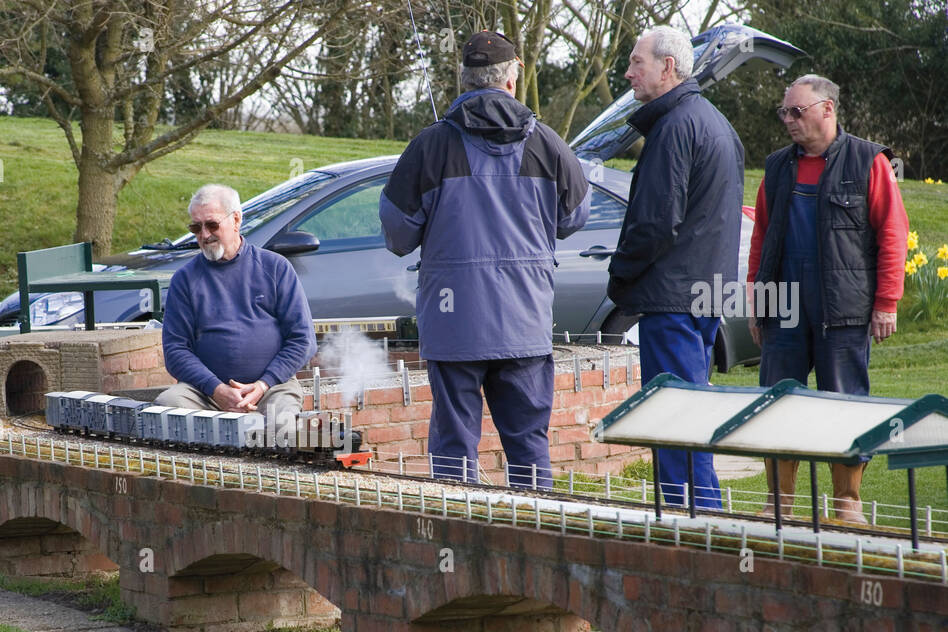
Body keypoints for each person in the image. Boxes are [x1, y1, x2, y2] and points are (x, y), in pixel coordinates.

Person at [379, 30, 589, 487]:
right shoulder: (549, 144)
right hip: (525, 323)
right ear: (512, 79)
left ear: (464, 80)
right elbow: (573, 218)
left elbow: (397, 234)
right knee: (529, 445)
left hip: (454, 325)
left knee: (454, 450)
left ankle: (460, 541)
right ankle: (536, 543)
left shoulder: (429, 146)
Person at [747, 75, 909, 524]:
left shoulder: (867, 160)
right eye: (785, 112)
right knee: (777, 402)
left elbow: (894, 232)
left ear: (827, 110)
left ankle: (847, 503)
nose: (789, 120)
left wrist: (887, 301)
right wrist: (757, 302)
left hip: (844, 307)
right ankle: (779, 499)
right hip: (783, 306)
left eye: (797, 112)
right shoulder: (777, 166)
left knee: (845, 404)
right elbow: (761, 236)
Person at [607, 25, 745, 510]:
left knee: (673, 426)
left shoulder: (674, 127)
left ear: (668, 68)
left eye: (636, 62)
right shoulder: (716, 123)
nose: (628, 73)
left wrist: (619, 276)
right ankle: (701, 526)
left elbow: (655, 224)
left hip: (674, 301)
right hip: (705, 299)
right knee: (691, 420)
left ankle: (695, 533)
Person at [157, 183, 316, 443]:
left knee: (283, 429)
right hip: (205, 395)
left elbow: (303, 340)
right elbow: (175, 350)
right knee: (166, 406)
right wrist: (216, 389)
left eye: (212, 225)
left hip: (272, 389)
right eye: (196, 228)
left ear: (236, 220)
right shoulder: (184, 280)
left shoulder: (275, 268)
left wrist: (263, 384)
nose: (204, 234)